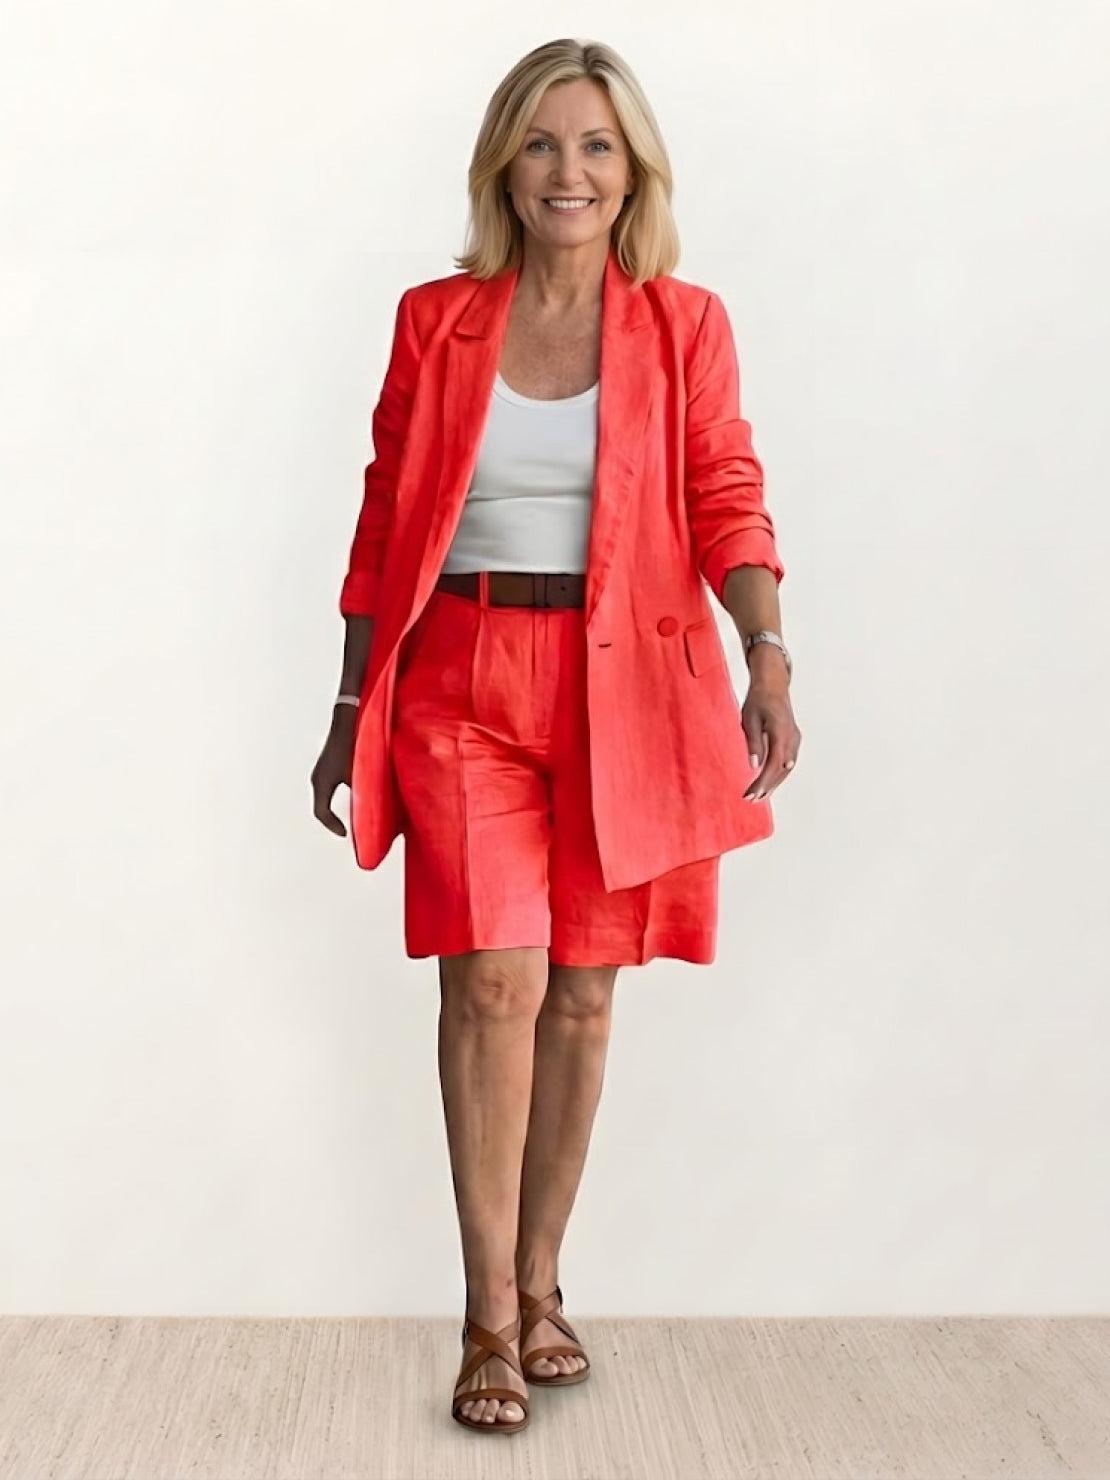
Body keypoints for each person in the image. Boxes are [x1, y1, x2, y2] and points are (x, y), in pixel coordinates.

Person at [310, 36, 801, 1436]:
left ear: (630, 167)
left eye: (593, 145)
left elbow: (725, 492)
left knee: (585, 994)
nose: (566, 170)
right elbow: (381, 520)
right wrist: (352, 712)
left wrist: (764, 648)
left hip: (625, 694)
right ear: (502, 167)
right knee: (494, 986)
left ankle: (541, 1286)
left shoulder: (681, 325)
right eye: (539, 143)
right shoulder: (435, 320)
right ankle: (482, 1320)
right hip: (463, 678)